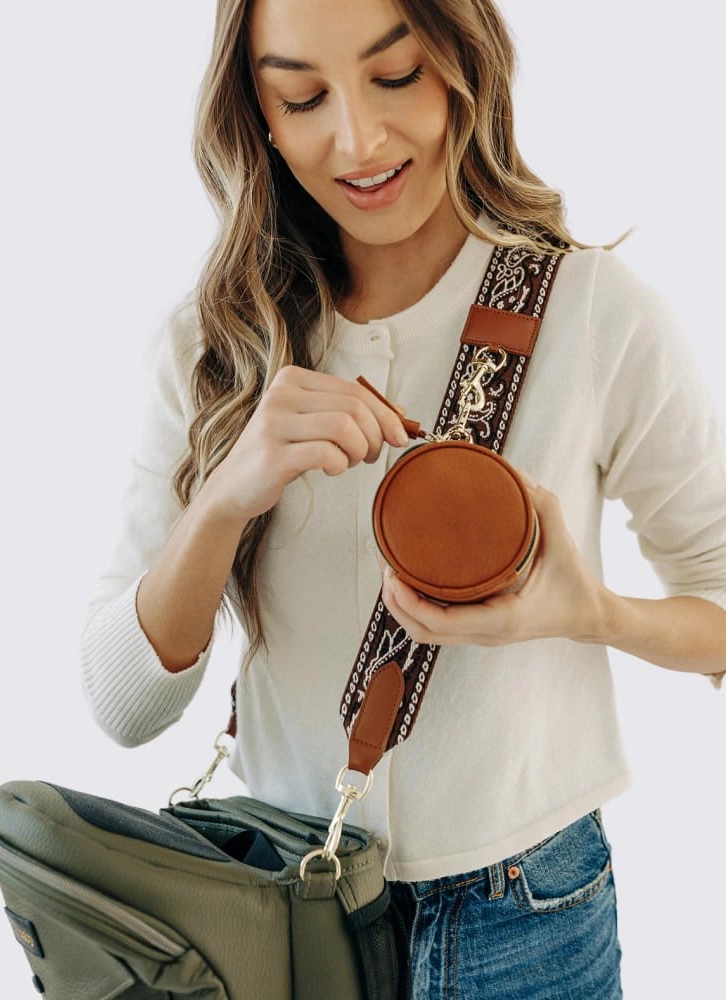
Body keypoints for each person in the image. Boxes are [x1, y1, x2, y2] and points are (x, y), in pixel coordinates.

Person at [80, 0, 726, 996]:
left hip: (532, 916)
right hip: (281, 912)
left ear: (464, 64)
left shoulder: (597, 313)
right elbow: (123, 703)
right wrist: (222, 501)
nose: (357, 140)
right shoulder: (218, 346)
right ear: (256, 116)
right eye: (303, 97)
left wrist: (590, 613)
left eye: (395, 77)